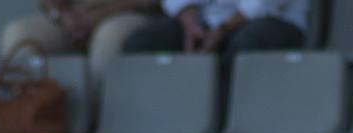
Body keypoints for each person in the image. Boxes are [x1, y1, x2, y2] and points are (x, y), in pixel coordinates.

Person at [0, 0, 161, 88]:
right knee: (18, 33)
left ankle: (97, 119)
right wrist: (63, 16)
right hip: (74, 13)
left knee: (109, 35)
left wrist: (99, 15)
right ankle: (26, 113)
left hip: (128, 12)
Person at [123, 0, 307, 60]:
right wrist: (190, 25)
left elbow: (261, 5)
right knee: (144, 42)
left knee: (246, 44)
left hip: (274, 21)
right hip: (205, 22)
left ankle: (230, 124)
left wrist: (222, 29)